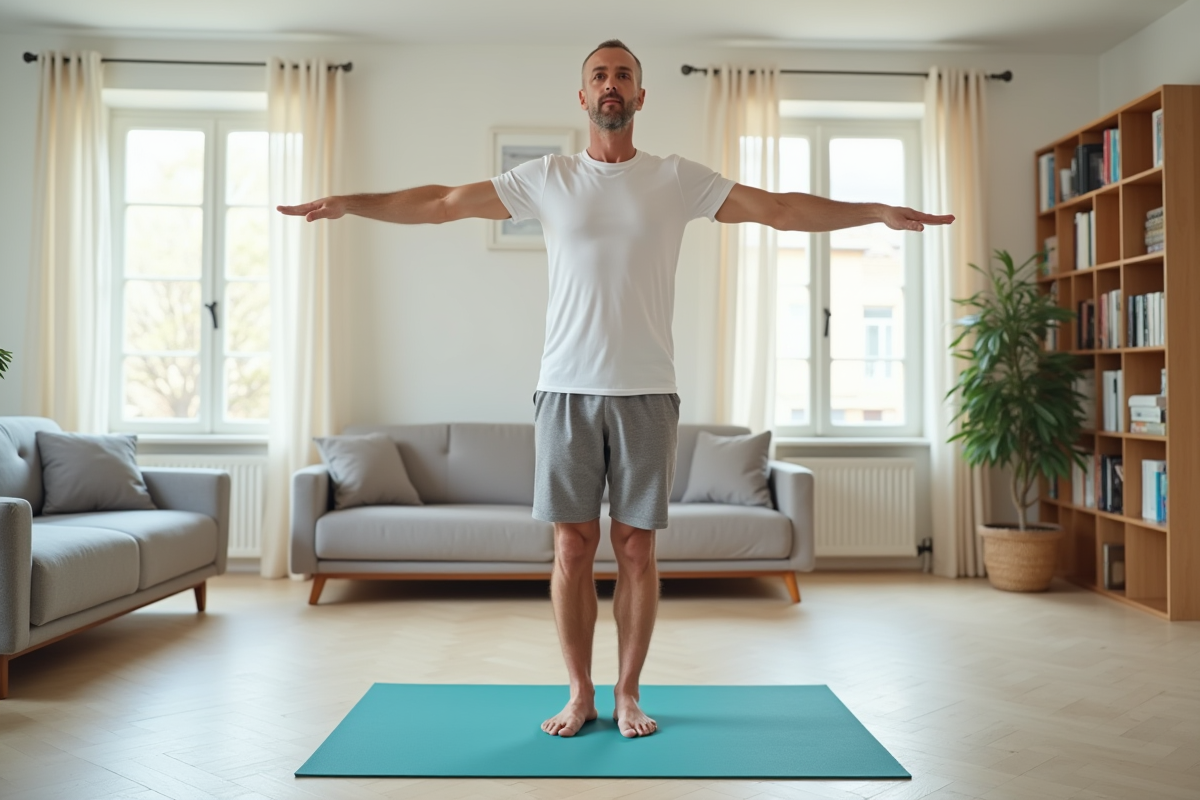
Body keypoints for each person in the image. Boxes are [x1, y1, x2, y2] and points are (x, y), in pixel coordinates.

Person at [278, 39, 954, 740]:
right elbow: (444, 202)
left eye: (623, 75)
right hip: (564, 389)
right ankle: (580, 692)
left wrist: (874, 210)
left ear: (639, 95)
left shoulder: (676, 179)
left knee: (636, 548)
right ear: (582, 96)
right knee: (572, 548)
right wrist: (349, 204)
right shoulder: (547, 178)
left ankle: (630, 691)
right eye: (599, 75)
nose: (611, 84)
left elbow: (779, 209)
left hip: (648, 391)